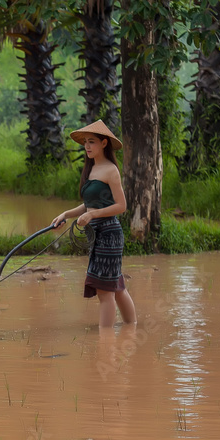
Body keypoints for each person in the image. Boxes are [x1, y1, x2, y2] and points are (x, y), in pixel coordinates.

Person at [52, 120, 136, 329]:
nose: (87, 146)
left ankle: (105, 344)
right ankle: (131, 328)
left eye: (92, 142)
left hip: (109, 233)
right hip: (96, 234)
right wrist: (66, 214)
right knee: (115, 286)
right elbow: (88, 205)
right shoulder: (91, 170)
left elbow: (121, 206)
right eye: (85, 143)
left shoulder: (110, 170)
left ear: (104, 143)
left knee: (105, 291)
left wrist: (93, 215)